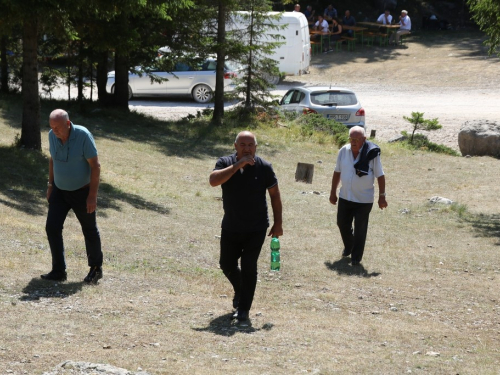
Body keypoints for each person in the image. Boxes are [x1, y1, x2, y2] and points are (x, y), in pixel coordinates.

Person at [209, 131, 283, 321]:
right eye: (242, 145)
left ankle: (244, 310)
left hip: (256, 227)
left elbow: (274, 195)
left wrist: (278, 223)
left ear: (256, 147)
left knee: (249, 265)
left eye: (250, 145)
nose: (247, 148)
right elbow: (213, 181)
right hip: (231, 225)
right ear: (235, 147)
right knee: (226, 264)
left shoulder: (264, 167)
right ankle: (240, 289)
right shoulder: (225, 163)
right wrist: (238, 165)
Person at [41, 109, 103, 283]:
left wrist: (92, 195)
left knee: (89, 229)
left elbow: (95, 166)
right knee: (52, 227)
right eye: (52, 127)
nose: (55, 131)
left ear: (68, 124)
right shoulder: (51, 135)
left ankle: (96, 269)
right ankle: (59, 270)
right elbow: (52, 159)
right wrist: (50, 185)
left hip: (82, 191)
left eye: (58, 127)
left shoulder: (83, 135)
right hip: (60, 191)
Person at [329, 126, 387, 266]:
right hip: (345, 196)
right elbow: (337, 172)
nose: (354, 142)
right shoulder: (344, 151)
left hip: (364, 199)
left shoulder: (371, 154)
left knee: (360, 229)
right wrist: (333, 192)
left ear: (364, 139)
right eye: (351, 139)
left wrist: (382, 196)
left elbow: (380, 175)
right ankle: (349, 245)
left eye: (357, 139)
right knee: (342, 223)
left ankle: (356, 257)